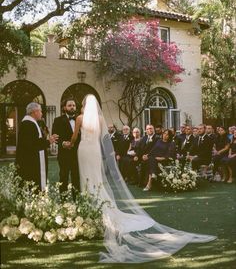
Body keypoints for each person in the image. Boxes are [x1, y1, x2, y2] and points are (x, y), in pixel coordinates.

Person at [69, 95, 216, 263]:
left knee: (86, 176)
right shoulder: (101, 119)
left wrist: (70, 143)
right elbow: (104, 139)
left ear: (84, 106)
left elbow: (74, 137)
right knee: (96, 177)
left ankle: (89, 204)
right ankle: (98, 203)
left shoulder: (80, 118)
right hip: (94, 150)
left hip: (84, 149)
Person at [16, 102, 58, 190]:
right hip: (30, 162)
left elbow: (34, 140)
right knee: (32, 185)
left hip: (32, 160)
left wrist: (47, 139)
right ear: (35, 112)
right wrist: (48, 141)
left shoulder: (31, 123)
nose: (42, 113)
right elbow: (31, 145)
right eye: (40, 111)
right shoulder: (28, 124)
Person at [52, 99, 80, 193]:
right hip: (64, 155)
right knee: (63, 178)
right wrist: (63, 143)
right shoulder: (58, 120)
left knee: (76, 178)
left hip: (77, 154)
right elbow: (55, 136)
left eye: (74, 105)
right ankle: (63, 200)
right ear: (64, 107)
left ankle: (77, 200)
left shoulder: (80, 120)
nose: (72, 107)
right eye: (69, 105)